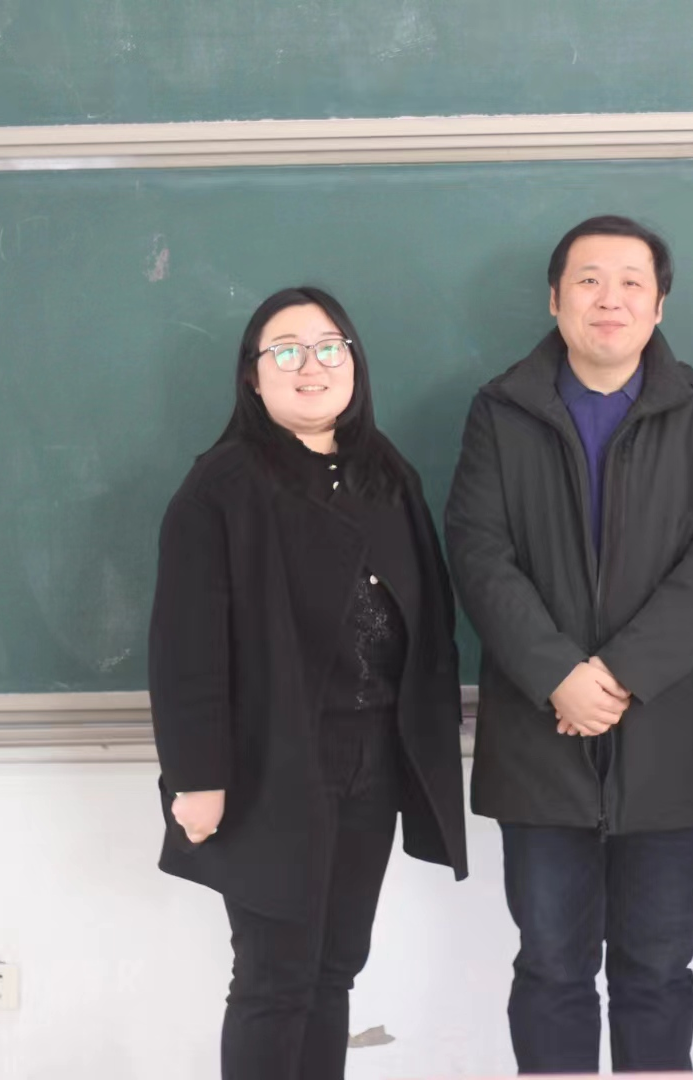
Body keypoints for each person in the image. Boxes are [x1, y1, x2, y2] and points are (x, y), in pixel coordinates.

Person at [445, 215, 693, 1074]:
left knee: (657, 972)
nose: (608, 298)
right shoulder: (500, 413)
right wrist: (559, 676)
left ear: (659, 305)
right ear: (555, 300)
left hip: (665, 739)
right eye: (588, 280)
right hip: (538, 738)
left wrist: (616, 675)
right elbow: (478, 553)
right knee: (552, 970)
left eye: (630, 282)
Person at [148, 285, 468, 1080]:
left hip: (375, 757)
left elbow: (429, 618)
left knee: (334, 967)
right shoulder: (222, 487)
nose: (311, 365)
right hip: (272, 762)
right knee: (275, 976)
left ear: (353, 364)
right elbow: (184, 647)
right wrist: (196, 778)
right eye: (285, 351)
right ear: (253, 377)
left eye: (329, 348)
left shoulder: (386, 473)